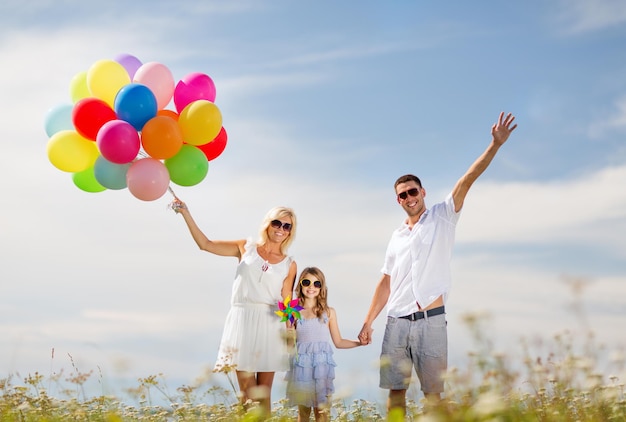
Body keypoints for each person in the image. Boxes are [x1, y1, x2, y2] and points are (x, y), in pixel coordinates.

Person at [357, 112, 518, 416]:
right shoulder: (396, 236)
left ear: (423, 192)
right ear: (398, 201)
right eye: (402, 195)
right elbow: (386, 281)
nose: (409, 197)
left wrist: (495, 145)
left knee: (434, 394)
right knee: (395, 392)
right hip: (396, 321)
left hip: (431, 320)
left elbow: (466, 179)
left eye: (413, 191)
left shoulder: (444, 216)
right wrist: (368, 321)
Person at [172, 198, 298, 416]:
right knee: (247, 393)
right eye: (277, 223)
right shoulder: (245, 247)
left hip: (271, 323)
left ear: (290, 232)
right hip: (242, 320)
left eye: (287, 226)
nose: (281, 229)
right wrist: (186, 213)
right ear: (268, 223)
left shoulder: (290, 263)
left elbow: (287, 302)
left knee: (263, 393)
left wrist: (292, 332)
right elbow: (206, 244)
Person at [285, 267, 362, 422]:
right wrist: (288, 331)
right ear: (300, 285)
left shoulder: (328, 312)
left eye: (316, 283)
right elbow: (289, 347)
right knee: (303, 413)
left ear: (322, 287)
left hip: (321, 368)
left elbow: (339, 342)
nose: (311, 287)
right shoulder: (293, 312)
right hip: (302, 367)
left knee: (322, 412)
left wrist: (359, 343)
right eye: (306, 282)